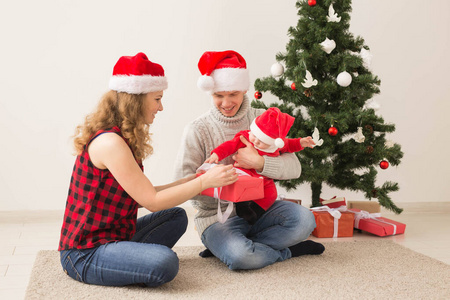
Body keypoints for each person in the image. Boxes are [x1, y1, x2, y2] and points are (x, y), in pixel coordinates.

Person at [58, 52, 238, 287]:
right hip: (84, 253)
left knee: (176, 216)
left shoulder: (119, 137)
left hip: (115, 235)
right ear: (136, 99)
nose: (160, 107)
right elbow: (152, 201)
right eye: (157, 98)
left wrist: (191, 180)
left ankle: (127, 260)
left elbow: (142, 195)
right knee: (165, 263)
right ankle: (131, 261)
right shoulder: (110, 143)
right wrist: (204, 183)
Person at [174, 50, 324, 270]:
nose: (226, 103)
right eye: (218, 95)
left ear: (245, 89)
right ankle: (286, 252)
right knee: (241, 257)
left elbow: (295, 168)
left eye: (233, 94)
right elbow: (181, 181)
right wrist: (213, 184)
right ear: (210, 93)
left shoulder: (263, 119)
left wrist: (259, 164)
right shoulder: (197, 129)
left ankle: (233, 248)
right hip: (218, 219)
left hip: (262, 208)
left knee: (305, 220)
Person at [204, 107, 316, 224]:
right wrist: (216, 154)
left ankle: (257, 212)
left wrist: (301, 143)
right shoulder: (245, 138)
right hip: (245, 173)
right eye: (255, 136)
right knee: (243, 187)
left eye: (262, 141)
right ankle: (242, 207)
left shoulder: (275, 145)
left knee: (272, 194)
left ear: (272, 142)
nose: (256, 142)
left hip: (264, 179)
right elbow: (229, 146)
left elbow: (290, 144)